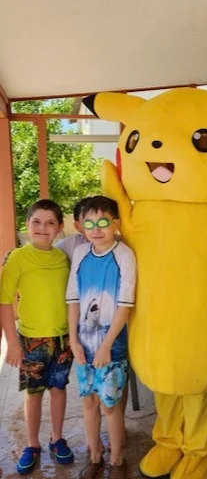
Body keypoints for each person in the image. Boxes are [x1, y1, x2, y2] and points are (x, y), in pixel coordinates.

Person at [0, 199, 74, 475]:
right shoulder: (18, 257)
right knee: (33, 393)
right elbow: (4, 301)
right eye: (36, 222)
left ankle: (57, 438)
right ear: (27, 225)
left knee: (59, 388)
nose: (43, 228)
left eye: (50, 222)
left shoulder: (63, 258)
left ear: (59, 227)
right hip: (31, 340)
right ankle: (32, 444)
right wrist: (12, 343)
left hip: (63, 338)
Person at [66, 196, 136, 479]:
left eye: (103, 222)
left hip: (111, 343)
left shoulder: (124, 255)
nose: (96, 229)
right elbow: (73, 298)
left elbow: (125, 305)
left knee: (110, 405)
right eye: (89, 223)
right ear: (80, 227)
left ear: (115, 224)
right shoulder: (81, 253)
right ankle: (95, 454)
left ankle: (117, 459)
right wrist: (73, 340)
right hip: (84, 342)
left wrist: (107, 346)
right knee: (88, 402)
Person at [55, 197, 91, 262]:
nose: (96, 228)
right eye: (89, 223)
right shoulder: (69, 245)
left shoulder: (112, 245)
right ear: (77, 226)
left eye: (101, 222)